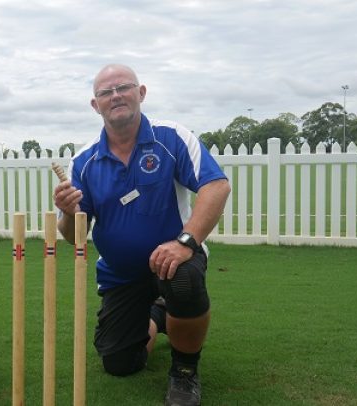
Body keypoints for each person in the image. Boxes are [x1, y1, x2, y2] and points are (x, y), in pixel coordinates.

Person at [53, 64, 230, 406]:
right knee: (120, 363)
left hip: (175, 258)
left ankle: (184, 372)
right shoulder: (83, 161)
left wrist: (185, 243)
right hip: (120, 274)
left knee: (182, 279)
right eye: (106, 92)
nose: (115, 95)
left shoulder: (172, 136)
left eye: (124, 87)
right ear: (96, 105)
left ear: (141, 93)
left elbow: (216, 186)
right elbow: (72, 237)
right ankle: (159, 314)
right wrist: (69, 213)